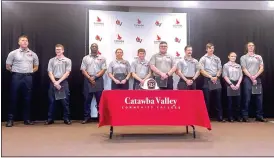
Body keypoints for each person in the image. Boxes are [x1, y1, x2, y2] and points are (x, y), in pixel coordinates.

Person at [5, 35, 39, 127]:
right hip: (17, 77)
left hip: (28, 78)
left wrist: (30, 71)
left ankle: (27, 119)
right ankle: (10, 120)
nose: (25, 42)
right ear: (19, 42)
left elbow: (36, 66)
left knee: (27, 98)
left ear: (28, 43)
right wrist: (16, 72)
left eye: (26, 41)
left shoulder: (33, 54)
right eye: (23, 40)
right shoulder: (13, 53)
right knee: (13, 98)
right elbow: (8, 66)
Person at [45, 44, 72, 125]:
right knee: (51, 101)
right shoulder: (51, 60)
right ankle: (50, 119)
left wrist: (59, 82)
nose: (58, 51)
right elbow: (50, 72)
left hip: (63, 81)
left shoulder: (67, 60)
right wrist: (55, 82)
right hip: (53, 81)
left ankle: (66, 118)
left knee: (65, 101)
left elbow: (67, 73)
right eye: (56, 49)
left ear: (63, 50)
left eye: (59, 49)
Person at [80, 43, 107, 124]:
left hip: (98, 80)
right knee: (87, 100)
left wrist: (94, 77)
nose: (94, 48)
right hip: (88, 79)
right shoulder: (85, 58)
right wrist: (89, 78)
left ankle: (101, 117)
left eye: (95, 47)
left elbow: (103, 69)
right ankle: (86, 117)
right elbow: (83, 69)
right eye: (93, 46)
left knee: (100, 100)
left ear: (97, 48)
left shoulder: (102, 58)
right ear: (90, 48)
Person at [240, 42, 266, 122]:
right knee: (247, 98)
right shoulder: (243, 57)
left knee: (259, 98)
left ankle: (259, 116)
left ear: (254, 47)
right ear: (247, 47)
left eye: (252, 46)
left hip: (257, 78)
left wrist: (255, 76)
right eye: (249, 46)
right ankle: (245, 116)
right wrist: (251, 77)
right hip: (248, 79)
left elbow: (261, 68)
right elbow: (244, 69)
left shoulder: (258, 57)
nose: (251, 47)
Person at [199, 43, 224, 122]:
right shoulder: (203, 58)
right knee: (207, 99)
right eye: (210, 48)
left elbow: (220, 69)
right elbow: (201, 70)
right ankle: (206, 118)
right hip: (207, 79)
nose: (211, 50)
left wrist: (216, 76)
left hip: (216, 78)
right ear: (206, 49)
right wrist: (210, 77)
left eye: (212, 48)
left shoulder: (217, 58)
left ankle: (219, 116)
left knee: (218, 99)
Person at [223, 52, 243, 122]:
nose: (233, 57)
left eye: (234, 56)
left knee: (237, 102)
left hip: (237, 83)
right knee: (230, 102)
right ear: (228, 57)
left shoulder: (238, 66)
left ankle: (237, 116)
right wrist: (231, 84)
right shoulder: (226, 65)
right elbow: (225, 75)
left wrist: (238, 84)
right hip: (229, 83)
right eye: (232, 56)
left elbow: (241, 75)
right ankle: (230, 117)